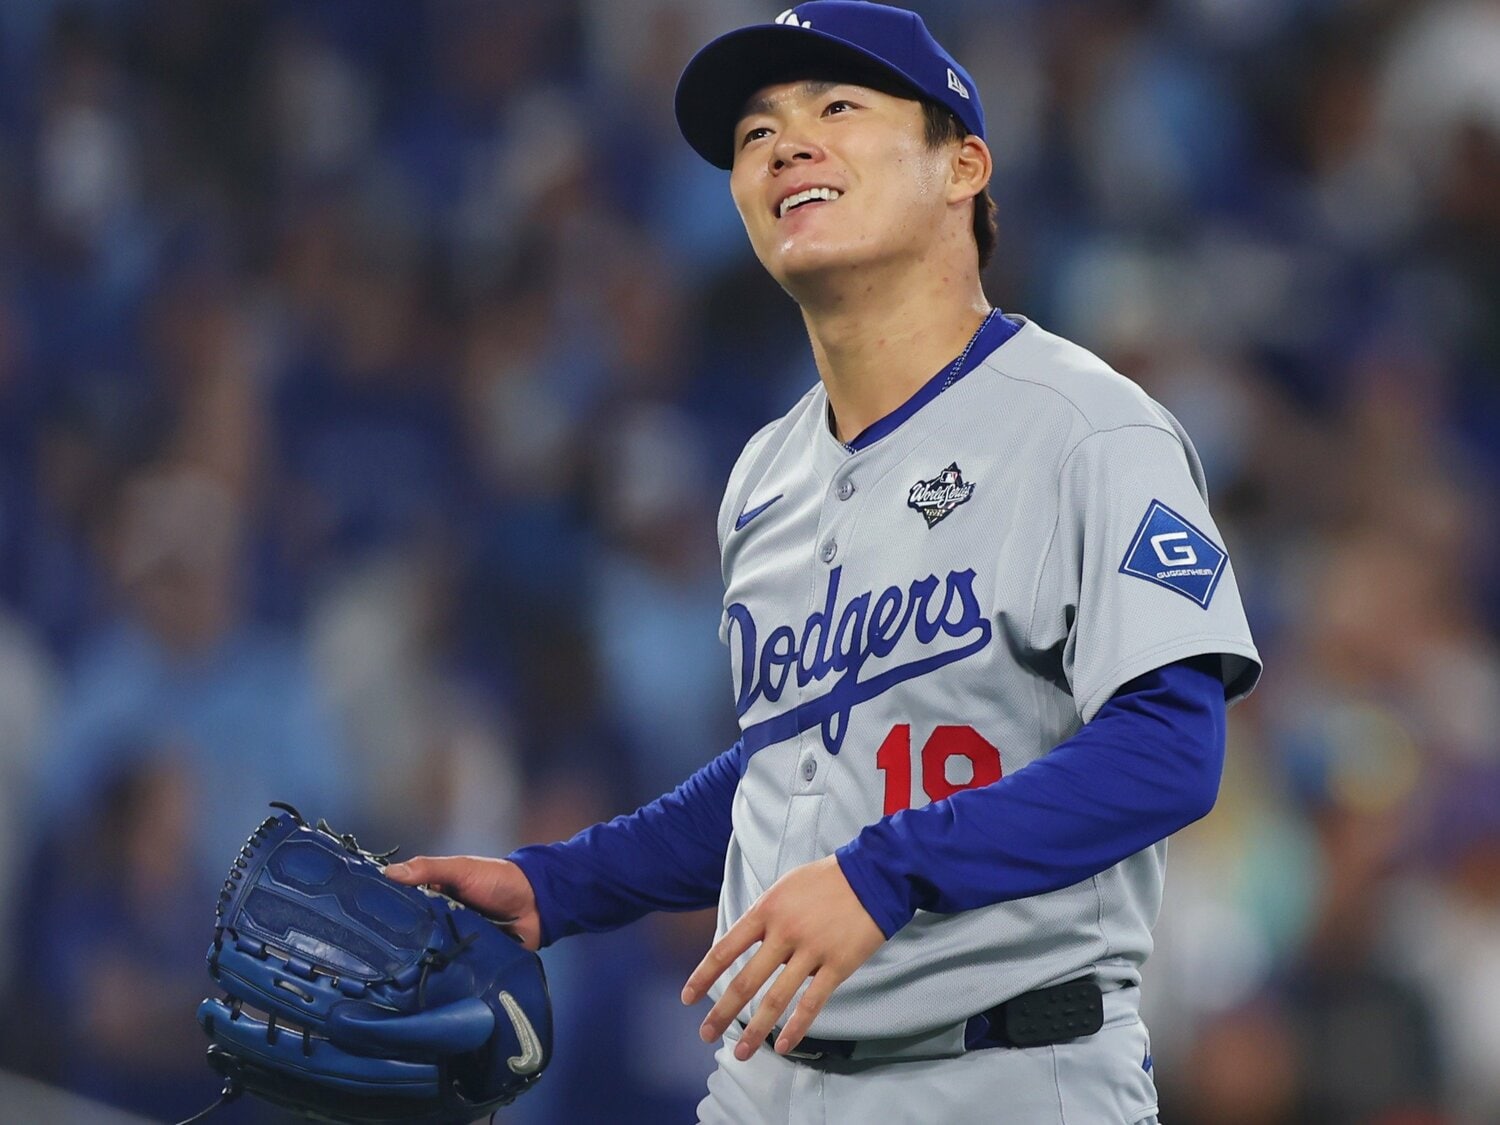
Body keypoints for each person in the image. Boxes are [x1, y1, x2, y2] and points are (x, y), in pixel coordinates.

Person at [387, 4, 1261, 1121]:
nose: (785, 145)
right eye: (756, 134)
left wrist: (885, 874)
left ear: (963, 166)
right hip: (767, 1081)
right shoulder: (764, 477)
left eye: (836, 108)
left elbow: (1171, 753)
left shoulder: (1089, 428)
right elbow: (790, 772)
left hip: (1006, 1071)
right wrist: (555, 884)